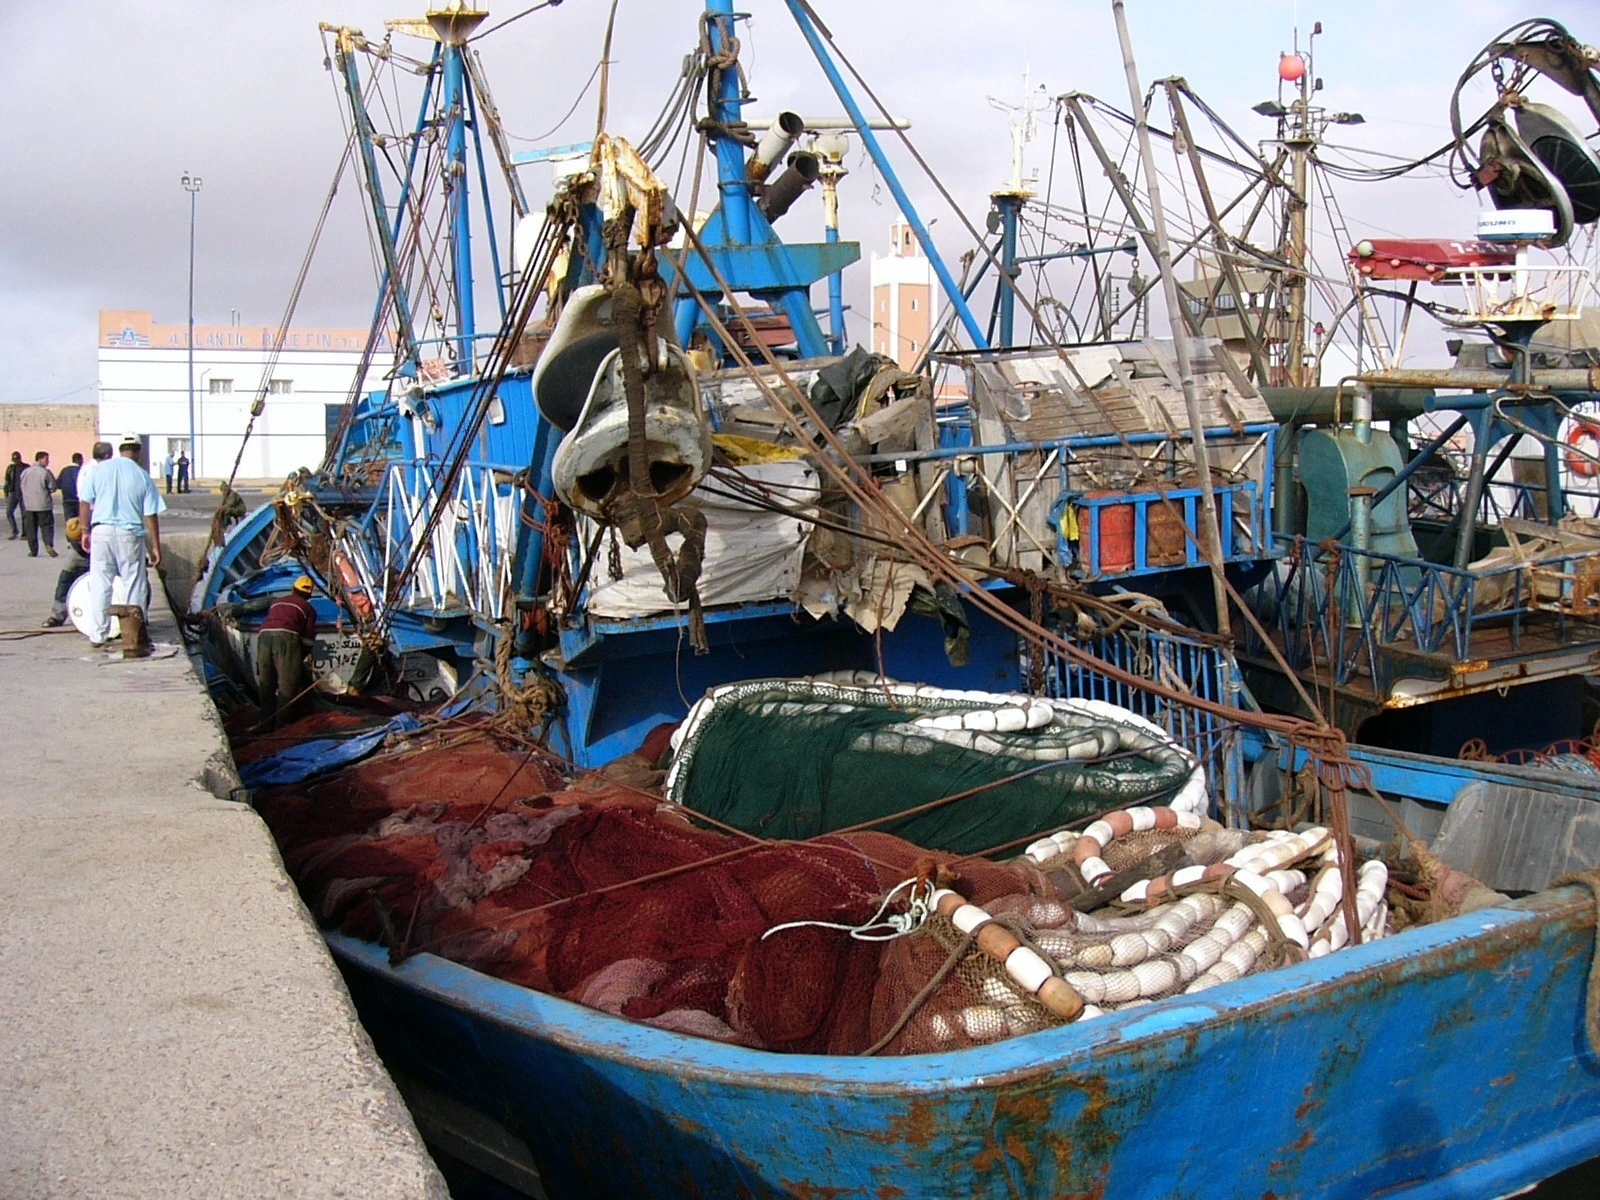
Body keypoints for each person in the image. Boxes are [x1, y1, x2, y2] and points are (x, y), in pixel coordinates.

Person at [80, 433, 165, 656]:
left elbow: (85, 501)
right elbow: (150, 513)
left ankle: (98, 634)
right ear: (137, 451)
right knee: (133, 583)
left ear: (120, 449)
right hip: (129, 532)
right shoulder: (141, 475)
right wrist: (155, 545)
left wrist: (84, 530)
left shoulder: (99, 470)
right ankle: (134, 633)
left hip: (101, 531)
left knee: (101, 582)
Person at [251, 575, 318, 729]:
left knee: (266, 683)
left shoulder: (276, 602)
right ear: (309, 595)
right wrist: (298, 660)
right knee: (288, 685)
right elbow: (307, 640)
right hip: (287, 637)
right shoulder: (308, 609)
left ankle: (265, 723)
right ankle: (282, 725)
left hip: (264, 636)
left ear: (293, 589)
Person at [42, 517, 90, 628]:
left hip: (103, 549)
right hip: (81, 556)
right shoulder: (75, 552)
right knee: (65, 580)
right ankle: (57, 615)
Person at [19, 451, 57, 557]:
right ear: (40, 459)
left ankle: (33, 550)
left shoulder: (25, 472)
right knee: (47, 526)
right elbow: (53, 487)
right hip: (43, 505)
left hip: (29, 505)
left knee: (31, 528)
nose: (48, 462)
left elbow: (21, 486)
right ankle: (48, 544)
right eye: (46, 459)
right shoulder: (45, 472)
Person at [57, 452, 83, 521]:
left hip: (67, 499)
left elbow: (58, 484)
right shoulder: (81, 471)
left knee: (69, 522)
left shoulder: (64, 470)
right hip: (78, 500)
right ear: (80, 460)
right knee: (79, 522)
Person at [4, 451, 23, 539]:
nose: (16, 461)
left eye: (17, 459)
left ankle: (25, 533)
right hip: (13, 492)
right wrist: (6, 494)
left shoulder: (25, 468)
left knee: (25, 514)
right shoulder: (10, 468)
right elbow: (7, 481)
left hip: (23, 493)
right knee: (9, 512)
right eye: (14, 460)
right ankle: (14, 531)